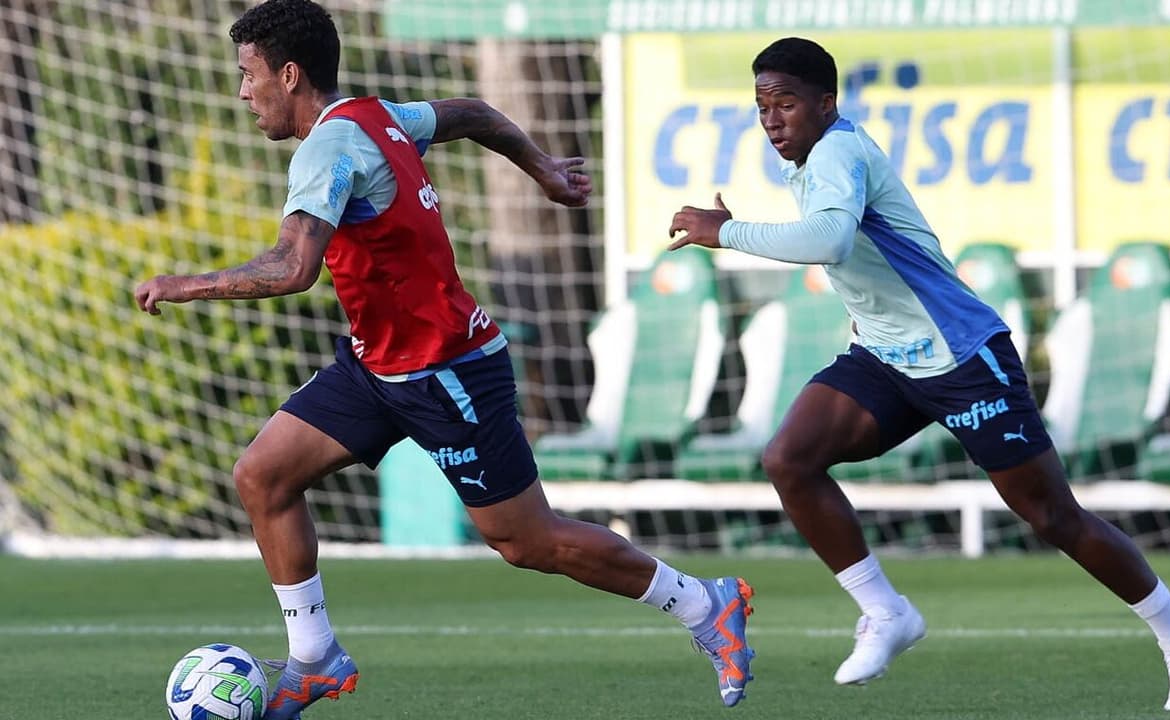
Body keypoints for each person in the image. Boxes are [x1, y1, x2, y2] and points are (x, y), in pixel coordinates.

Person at [133, 1, 754, 715]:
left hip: (448, 371)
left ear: (290, 73)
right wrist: (544, 169)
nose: (243, 92)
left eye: (248, 75)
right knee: (263, 476)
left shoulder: (330, 148)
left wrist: (183, 285)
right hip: (379, 365)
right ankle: (314, 658)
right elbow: (473, 113)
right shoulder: (378, 115)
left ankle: (707, 605)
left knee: (526, 541)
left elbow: (290, 268)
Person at [667, 37, 1170, 712]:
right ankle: (886, 612)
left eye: (785, 103)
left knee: (1052, 517)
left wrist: (726, 232)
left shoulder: (839, 148)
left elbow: (828, 241)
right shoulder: (809, 159)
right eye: (761, 106)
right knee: (790, 458)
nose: (772, 119)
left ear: (826, 104)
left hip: (960, 357)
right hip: (885, 356)